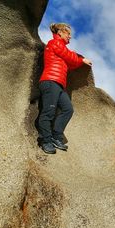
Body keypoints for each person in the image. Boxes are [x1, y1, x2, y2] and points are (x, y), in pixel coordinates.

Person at [35, 23, 92, 154]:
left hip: (59, 84)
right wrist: (82, 59)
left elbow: (70, 64)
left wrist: (78, 61)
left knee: (68, 109)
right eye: (68, 33)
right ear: (60, 32)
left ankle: (56, 137)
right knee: (48, 112)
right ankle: (46, 141)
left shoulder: (61, 49)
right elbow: (69, 56)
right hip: (50, 81)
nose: (70, 36)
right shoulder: (54, 43)